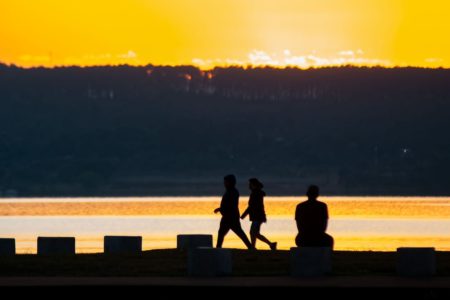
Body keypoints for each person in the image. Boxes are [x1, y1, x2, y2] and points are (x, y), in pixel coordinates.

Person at [214, 174, 254, 249]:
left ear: (230, 182)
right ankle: (218, 248)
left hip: (231, 217)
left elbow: (231, 205)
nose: (224, 183)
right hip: (228, 216)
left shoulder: (233, 192)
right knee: (222, 233)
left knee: (238, 232)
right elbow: (228, 204)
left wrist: (221, 209)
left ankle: (250, 247)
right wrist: (220, 209)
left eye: (226, 182)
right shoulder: (230, 191)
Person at [241, 178, 277, 250]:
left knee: (253, 232)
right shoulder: (257, 193)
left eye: (250, 184)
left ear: (253, 185)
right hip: (258, 216)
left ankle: (254, 247)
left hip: (257, 217)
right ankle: (268, 244)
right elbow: (252, 206)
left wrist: (243, 215)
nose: (249, 186)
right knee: (255, 233)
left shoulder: (255, 194)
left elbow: (251, 206)